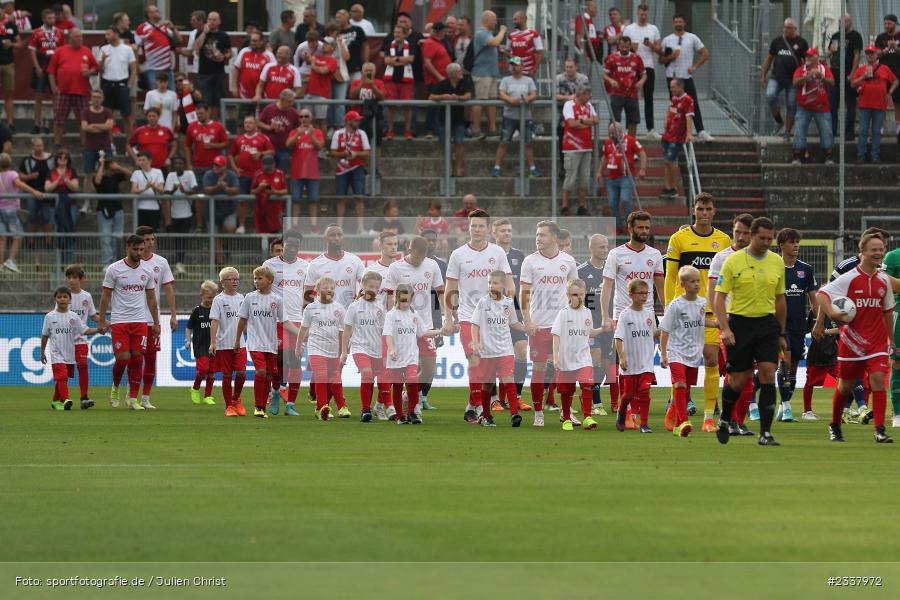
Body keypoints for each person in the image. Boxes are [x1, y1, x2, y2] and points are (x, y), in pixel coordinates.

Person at [713, 217, 787, 446]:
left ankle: (765, 433)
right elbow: (719, 298)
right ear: (752, 236)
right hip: (740, 324)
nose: (766, 242)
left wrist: (781, 333)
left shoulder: (776, 262)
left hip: (766, 324)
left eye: (769, 238)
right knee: (739, 379)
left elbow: (780, 299)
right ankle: (725, 419)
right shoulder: (733, 261)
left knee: (767, 373)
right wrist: (725, 328)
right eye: (762, 238)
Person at [818, 233, 895, 443]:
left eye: (881, 249)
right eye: (874, 249)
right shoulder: (849, 277)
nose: (878, 253)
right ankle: (834, 424)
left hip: (877, 342)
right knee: (845, 386)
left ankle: (879, 429)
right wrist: (832, 314)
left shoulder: (883, 281)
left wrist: (892, 343)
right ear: (862, 252)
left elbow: (887, 312)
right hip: (852, 342)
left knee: (878, 381)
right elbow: (821, 294)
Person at [664, 193, 731, 431]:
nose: (704, 212)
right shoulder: (679, 239)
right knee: (684, 365)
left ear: (714, 212)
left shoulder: (724, 241)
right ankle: (676, 407)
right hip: (683, 313)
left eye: (708, 209)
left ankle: (708, 418)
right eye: (700, 208)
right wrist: (669, 307)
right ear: (694, 210)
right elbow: (671, 276)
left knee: (712, 360)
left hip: (711, 311)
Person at [443, 209, 513, 422]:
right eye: (473, 225)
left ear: (488, 229)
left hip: (495, 319)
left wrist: (509, 304)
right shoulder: (458, 255)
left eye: (481, 226)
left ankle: (473, 404)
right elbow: (450, 288)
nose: (477, 229)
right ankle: (480, 409)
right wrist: (448, 316)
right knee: (474, 358)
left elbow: (509, 283)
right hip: (468, 316)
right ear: (468, 227)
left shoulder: (498, 253)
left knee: (487, 365)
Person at [519, 221, 578, 427]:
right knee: (539, 368)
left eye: (542, 235)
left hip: (563, 325)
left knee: (565, 369)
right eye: (537, 234)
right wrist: (527, 319)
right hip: (539, 326)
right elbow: (524, 293)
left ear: (554, 237)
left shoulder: (568, 261)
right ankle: (538, 413)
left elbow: (576, 293)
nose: (538, 238)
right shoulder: (530, 261)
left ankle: (566, 411)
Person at [383, 236, 445, 419]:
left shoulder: (431, 265)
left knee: (429, 369)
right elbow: (388, 297)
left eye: (423, 257)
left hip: (425, 325)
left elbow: (441, 294)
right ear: (410, 251)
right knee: (400, 372)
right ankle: (411, 405)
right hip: (402, 327)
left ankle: (408, 396)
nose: (419, 261)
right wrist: (391, 319)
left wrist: (449, 317)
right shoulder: (396, 268)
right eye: (417, 257)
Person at [97, 234, 160, 411]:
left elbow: (151, 299)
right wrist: (102, 320)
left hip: (140, 321)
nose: (139, 252)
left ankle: (133, 398)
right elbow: (105, 297)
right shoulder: (114, 269)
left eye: (142, 249)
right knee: (123, 358)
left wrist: (156, 322)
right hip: (119, 321)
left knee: (138, 357)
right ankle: (115, 387)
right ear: (127, 247)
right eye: (136, 249)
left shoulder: (147, 271)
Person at [707, 213, 757, 430]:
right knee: (735, 372)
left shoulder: (761, 258)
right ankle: (730, 419)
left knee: (748, 376)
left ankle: (739, 421)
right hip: (730, 323)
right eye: (737, 232)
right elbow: (712, 292)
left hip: (755, 323)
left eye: (746, 233)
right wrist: (720, 321)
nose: (740, 236)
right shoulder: (721, 258)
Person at [660, 265, 719, 436]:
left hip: (693, 353)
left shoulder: (702, 303)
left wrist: (715, 323)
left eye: (698, 281)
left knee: (686, 388)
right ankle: (682, 422)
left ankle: (674, 407)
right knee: (680, 384)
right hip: (676, 351)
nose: (696, 284)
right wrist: (664, 353)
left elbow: (700, 321)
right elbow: (665, 329)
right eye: (692, 281)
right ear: (683, 284)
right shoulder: (676, 305)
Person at [775, 228, 819, 424]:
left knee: (793, 367)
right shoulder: (773, 267)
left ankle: (783, 405)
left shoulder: (806, 269)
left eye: (797, 242)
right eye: (792, 242)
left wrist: (819, 321)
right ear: (781, 245)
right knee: (785, 363)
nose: (796, 245)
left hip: (799, 326)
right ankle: (787, 407)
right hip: (778, 326)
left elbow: (814, 299)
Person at [261, 230, 307, 416]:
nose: (293, 248)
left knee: (295, 361)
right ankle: (274, 392)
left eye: (296, 246)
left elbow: (309, 294)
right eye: (289, 245)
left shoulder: (305, 266)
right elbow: (262, 289)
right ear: (284, 244)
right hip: (276, 320)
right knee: (279, 360)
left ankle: (290, 404)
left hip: (298, 320)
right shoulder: (269, 265)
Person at [471, 269, 525, 427]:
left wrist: (527, 328)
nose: (491, 286)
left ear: (503, 285)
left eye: (494, 283)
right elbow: (475, 324)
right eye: (489, 283)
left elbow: (513, 323)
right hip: (487, 352)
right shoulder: (483, 302)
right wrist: (475, 342)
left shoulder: (508, 303)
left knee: (508, 379)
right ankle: (486, 415)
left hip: (505, 350)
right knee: (487, 384)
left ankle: (514, 414)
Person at [383, 284, 442, 424]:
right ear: (397, 298)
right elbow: (388, 335)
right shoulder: (391, 315)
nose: (405, 303)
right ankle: (399, 416)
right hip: (396, 357)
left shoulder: (414, 316)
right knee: (397, 386)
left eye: (408, 300)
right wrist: (391, 349)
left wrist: (440, 331)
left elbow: (423, 332)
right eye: (402, 300)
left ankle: (412, 412)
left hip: (411, 357)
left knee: (413, 381)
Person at [550, 278, 603, 432]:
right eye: (574, 294)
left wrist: (602, 329)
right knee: (567, 391)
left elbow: (589, 333)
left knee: (587, 384)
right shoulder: (563, 313)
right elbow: (556, 335)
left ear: (585, 294)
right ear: (568, 295)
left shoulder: (587, 313)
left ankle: (587, 417)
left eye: (580, 294)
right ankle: (566, 419)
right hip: (566, 360)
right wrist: (555, 357)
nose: (578, 298)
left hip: (584, 358)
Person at [297, 276, 350, 421]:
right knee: (321, 376)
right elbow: (303, 329)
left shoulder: (339, 308)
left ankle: (341, 407)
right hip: (315, 348)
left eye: (332, 288)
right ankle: (322, 407)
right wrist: (299, 346)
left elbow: (345, 330)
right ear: (317, 290)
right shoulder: (311, 308)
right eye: (326, 288)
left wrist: (345, 350)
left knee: (335, 377)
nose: (329, 291)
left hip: (333, 349)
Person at [136, 225, 176, 410]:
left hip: (153, 318)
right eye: (146, 240)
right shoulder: (130, 263)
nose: (150, 243)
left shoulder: (161, 262)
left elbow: (168, 290)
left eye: (152, 239)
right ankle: (132, 394)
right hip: (134, 318)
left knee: (151, 358)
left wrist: (173, 315)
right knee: (134, 358)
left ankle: (145, 397)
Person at [489, 218, 527, 410]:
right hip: (493, 314)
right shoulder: (490, 255)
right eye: (502, 230)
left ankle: (517, 396)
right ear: (494, 233)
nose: (507, 233)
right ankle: (494, 399)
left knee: (521, 351)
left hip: (515, 311)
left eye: (509, 230)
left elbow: (524, 286)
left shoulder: (519, 257)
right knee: (494, 356)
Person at [41, 286, 99, 411]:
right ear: (55, 299)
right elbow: (45, 335)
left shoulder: (73, 316)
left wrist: (98, 330)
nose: (62, 299)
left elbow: (85, 330)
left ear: (70, 300)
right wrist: (42, 353)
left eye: (65, 297)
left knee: (64, 377)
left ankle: (55, 401)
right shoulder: (50, 317)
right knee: (62, 376)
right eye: (59, 297)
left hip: (69, 353)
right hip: (56, 354)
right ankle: (66, 399)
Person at [235, 265, 281, 419]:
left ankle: (263, 406)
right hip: (255, 342)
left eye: (259, 278)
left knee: (269, 375)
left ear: (270, 280)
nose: (256, 281)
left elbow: (282, 321)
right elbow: (242, 320)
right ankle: (258, 406)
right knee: (261, 371)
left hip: (271, 344)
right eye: (255, 278)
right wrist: (237, 340)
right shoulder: (249, 297)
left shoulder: (276, 300)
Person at [341, 271, 387, 421]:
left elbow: (385, 331)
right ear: (363, 286)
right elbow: (347, 330)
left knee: (384, 379)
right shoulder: (354, 307)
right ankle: (365, 411)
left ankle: (380, 406)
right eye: (370, 286)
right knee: (367, 375)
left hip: (377, 349)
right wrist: (344, 352)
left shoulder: (380, 307)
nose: (373, 289)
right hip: (360, 347)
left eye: (376, 287)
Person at [614, 279, 657, 433]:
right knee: (628, 395)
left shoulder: (650, 314)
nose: (644, 296)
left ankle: (644, 424)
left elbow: (654, 334)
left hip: (646, 363)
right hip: (630, 364)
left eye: (646, 293)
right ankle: (622, 411)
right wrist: (622, 358)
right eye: (640, 293)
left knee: (645, 390)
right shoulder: (625, 315)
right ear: (631, 295)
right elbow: (618, 338)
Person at [660, 14, 712, 141]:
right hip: (672, 77)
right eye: (676, 21)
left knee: (693, 103)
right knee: (674, 106)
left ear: (684, 23)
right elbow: (661, 60)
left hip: (686, 77)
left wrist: (695, 66)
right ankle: (674, 131)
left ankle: (700, 130)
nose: (678, 23)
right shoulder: (667, 40)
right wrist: (671, 57)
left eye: (680, 21)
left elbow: (705, 53)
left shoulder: (692, 38)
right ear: (673, 23)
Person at [578, 234, 614, 415]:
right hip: (590, 325)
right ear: (591, 248)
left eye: (607, 247)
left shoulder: (611, 270)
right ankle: (596, 403)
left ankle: (591, 395)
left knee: (606, 363)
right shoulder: (581, 271)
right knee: (595, 356)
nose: (605, 250)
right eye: (601, 247)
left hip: (608, 324)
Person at [491, 56, 540, 178]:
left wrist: (527, 99)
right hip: (509, 116)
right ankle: (496, 168)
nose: (513, 67)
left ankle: (533, 168)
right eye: (512, 65)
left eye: (516, 65)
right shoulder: (506, 80)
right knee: (503, 142)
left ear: (521, 66)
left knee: (528, 143)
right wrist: (510, 99)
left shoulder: (528, 80)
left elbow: (534, 93)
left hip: (526, 116)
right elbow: (501, 93)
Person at [47, 28, 97, 146]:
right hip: (63, 91)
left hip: (82, 92)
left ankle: (84, 144)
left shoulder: (86, 51)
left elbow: (96, 68)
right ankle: (57, 143)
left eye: (81, 36)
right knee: (59, 118)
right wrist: (54, 87)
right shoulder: (59, 51)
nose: (80, 39)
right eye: (77, 37)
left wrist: (89, 72)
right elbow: (51, 71)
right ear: (69, 38)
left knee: (83, 120)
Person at [209, 266, 247, 416]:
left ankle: (236, 398)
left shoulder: (242, 298)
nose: (235, 281)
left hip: (240, 343)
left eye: (237, 278)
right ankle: (229, 406)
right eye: (231, 279)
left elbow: (246, 320)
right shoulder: (218, 300)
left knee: (241, 373)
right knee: (226, 375)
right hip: (224, 344)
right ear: (222, 281)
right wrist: (213, 343)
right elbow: (214, 321)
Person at [185, 102, 229, 232]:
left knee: (214, 194)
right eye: (197, 113)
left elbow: (226, 143)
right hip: (198, 166)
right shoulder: (192, 127)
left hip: (214, 167)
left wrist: (214, 146)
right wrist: (189, 163)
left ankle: (213, 222)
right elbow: (187, 146)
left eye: (201, 113)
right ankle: (199, 224)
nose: (199, 115)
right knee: (199, 196)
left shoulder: (217, 126)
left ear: (208, 112)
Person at [760, 18, 807, 138]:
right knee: (770, 94)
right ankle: (779, 121)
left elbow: (807, 61)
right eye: (784, 27)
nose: (785, 30)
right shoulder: (777, 41)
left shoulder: (802, 42)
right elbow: (769, 58)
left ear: (794, 29)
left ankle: (787, 132)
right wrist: (763, 75)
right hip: (776, 77)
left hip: (793, 80)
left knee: (791, 104)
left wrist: (805, 76)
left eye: (788, 28)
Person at [852, 45, 898, 163]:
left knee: (877, 131)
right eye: (867, 53)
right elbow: (852, 84)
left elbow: (896, 81)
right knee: (863, 131)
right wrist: (863, 76)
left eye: (872, 53)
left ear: (877, 55)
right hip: (864, 105)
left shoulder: (884, 68)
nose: (869, 55)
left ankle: (875, 156)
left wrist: (890, 92)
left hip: (879, 105)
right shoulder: (861, 69)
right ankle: (861, 155)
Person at [598, 121, 646, 229]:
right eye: (609, 133)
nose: (611, 136)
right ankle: (618, 225)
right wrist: (599, 171)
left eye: (613, 133)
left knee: (625, 200)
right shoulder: (607, 142)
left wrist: (642, 169)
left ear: (619, 132)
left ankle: (629, 223)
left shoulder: (630, 140)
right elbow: (604, 157)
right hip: (611, 178)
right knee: (612, 203)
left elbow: (642, 153)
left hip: (626, 176)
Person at [303, 224, 365, 309]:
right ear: (325, 239)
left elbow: (366, 286)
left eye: (339, 235)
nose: (336, 238)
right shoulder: (315, 264)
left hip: (348, 316)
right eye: (332, 235)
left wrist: (358, 302)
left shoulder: (355, 260)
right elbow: (308, 294)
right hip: (325, 316)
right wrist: (307, 315)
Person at [623, 4, 662, 137]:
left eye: (645, 14)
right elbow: (622, 48)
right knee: (630, 98)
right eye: (641, 14)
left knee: (649, 98)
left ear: (648, 14)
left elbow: (659, 49)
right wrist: (631, 48)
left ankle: (650, 129)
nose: (643, 17)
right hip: (632, 67)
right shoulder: (629, 28)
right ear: (637, 13)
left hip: (648, 66)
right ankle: (629, 128)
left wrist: (650, 45)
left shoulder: (653, 29)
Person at [559, 85, 598, 216]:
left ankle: (582, 206)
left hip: (586, 147)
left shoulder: (589, 105)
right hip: (572, 147)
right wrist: (587, 122)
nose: (589, 98)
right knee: (570, 177)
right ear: (581, 95)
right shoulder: (569, 105)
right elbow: (571, 123)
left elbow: (596, 120)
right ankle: (565, 205)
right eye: (587, 95)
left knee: (584, 178)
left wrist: (581, 121)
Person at [428, 63, 472, 177]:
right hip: (443, 119)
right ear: (452, 74)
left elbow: (468, 96)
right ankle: (448, 168)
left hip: (459, 119)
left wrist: (457, 98)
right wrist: (444, 96)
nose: (461, 73)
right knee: (446, 145)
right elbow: (431, 96)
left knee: (459, 143)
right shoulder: (443, 83)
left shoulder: (465, 82)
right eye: (458, 71)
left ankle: (459, 168)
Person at [792, 48, 835, 165]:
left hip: (821, 106)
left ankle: (828, 155)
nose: (808, 58)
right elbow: (795, 83)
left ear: (816, 57)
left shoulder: (824, 69)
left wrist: (821, 77)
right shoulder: (801, 69)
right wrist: (807, 77)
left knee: (826, 130)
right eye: (807, 56)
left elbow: (832, 82)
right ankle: (797, 155)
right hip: (804, 105)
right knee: (799, 130)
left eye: (810, 56)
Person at [330, 111, 370, 233]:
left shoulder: (361, 133)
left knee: (359, 198)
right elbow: (332, 152)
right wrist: (344, 154)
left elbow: (367, 152)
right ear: (349, 121)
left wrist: (356, 154)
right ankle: (339, 228)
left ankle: (360, 227)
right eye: (356, 120)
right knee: (341, 199)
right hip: (341, 169)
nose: (358, 122)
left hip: (357, 167)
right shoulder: (338, 133)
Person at [65, 264, 98, 408]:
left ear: (81, 279)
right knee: (65, 372)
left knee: (83, 366)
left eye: (74, 277)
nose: (71, 280)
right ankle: (62, 397)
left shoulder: (87, 296)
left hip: (81, 340)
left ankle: (84, 398)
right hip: (65, 341)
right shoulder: (64, 296)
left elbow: (93, 316)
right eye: (69, 277)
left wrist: (105, 322)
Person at [470, 10, 506, 139]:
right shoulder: (481, 33)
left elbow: (495, 45)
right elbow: (494, 42)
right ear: (486, 20)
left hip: (492, 73)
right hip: (482, 73)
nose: (496, 23)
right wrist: (502, 31)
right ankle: (476, 129)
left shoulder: (489, 34)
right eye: (494, 20)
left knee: (492, 101)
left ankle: (492, 128)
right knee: (480, 100)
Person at [28, 8, 63, 134]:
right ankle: (36, 124)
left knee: (56, 96)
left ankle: (57, 124)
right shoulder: (37, 32)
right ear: (43, 19)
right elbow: (32, 50)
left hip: (55, 67)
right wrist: (37, 67)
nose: (52, 20)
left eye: (53, 18)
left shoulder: (59, 32)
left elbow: (63, 51)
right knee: (39, 95)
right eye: (49, 18)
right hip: (42, 65)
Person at [827, 13, 863, 140]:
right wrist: (831, 50)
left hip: (848, 73)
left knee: (850, 104)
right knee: (832, 103)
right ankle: (832, 130)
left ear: (849, 22)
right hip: (835, 73)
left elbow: (857, 55)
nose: (841, 24)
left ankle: (849, 133)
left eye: (843, 22)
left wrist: (852, 74)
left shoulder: (856, 36)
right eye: (839, 22)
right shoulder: (836, 35)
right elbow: (829, 53)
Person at [286, 108, 324, 223]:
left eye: (306, 116)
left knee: (313, 200)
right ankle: (295, 224)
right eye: (301, 116)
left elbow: (320, 146)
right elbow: (288, 145)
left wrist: (311, 135)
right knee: (296, 199)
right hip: (297, 172)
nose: (303, 119)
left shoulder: (317, 132)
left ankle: (313, 225)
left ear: (311, 118)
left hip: (312, 172)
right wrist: (297, 133)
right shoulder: (294, 132)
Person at [98, 25, 136, 139]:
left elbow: (134, 69)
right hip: (107, 84)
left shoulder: (127, 49)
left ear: (116, 34)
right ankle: (110, 145)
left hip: (122, 84)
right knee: (108, 117)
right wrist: (103, 59)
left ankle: (130, 144)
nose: (106, 36)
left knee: (127, 116)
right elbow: (99, 70)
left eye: (109, 34)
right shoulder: (104, 49)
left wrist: (129, 84)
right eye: (106, 34)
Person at [603, 35, 646, 136]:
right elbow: (604, 75)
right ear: (618, 45)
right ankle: (611, 143)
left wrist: (641, 82)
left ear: (630, 45)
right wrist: (611, 80)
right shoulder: (612, 57)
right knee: (614, 119)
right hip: (616, 93)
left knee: (633, 120)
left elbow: (644, 75)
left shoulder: (636, 58)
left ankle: (631, 144)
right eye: (622, 47)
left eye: (626, 47)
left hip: (632, 94)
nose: (624, 49)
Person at [800, 308, 838, 421]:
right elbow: (806, 330)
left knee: (845, 380)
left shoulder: (836, 310)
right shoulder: (814, 311)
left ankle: (845, 409)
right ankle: (807, 411)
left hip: (833, 354)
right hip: (817, 353)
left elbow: (842, 330)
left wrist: (826, 331)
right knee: (810, 383)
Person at [348, 61, 386, 176]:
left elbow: (382, 96)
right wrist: (362, 83)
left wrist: (372, 85)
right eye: (366, 71)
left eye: (370, 71)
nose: (368, 73)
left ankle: (375, 167)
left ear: (375, 72)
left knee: (377, 143)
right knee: (360, 143)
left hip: (375, 117)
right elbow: (352, 95)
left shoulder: (379, 82)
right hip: (359, 118)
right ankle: (362, 166)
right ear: (362, 72)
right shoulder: (356, 82)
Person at [202, 155, 241, 262]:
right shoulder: (209, 174)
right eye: (215, 164)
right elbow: (206, 190)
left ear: (224, 166)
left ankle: (225, 247)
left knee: (230, 229)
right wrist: (218, 186)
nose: (216, 167)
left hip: (228, 210)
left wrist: (225, 188)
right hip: (211, 211)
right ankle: (220, 263)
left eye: (218, 165)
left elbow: (236, 190)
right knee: (214, 237)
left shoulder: (231, 175)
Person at [381, 23, 417, 140]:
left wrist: (395, 59)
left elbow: (411, 59)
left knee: (407, 106)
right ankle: (390, 130)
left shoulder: (410, 44)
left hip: (406, 79)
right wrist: (402, 60)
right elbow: (387, 61)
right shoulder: (389, 44)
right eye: (395, 32)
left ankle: (408, 130)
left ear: (405, 34)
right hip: (391, 79)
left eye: (399, 33)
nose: (396, 35)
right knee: (390, 106)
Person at [660, 78, 695, 198]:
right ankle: (667, 187)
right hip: (667, 135)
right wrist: (665, 121)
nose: (671, 89)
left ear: (680, 87)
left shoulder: (688, 100)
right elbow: (669, 110)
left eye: (673, 87)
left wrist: (689, 134)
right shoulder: (674, 99)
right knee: (666, 162)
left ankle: (674, 188)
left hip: (677, 137)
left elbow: (689, 118)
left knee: (670, 160)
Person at [93, 155, 130, 267]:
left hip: (118, 210)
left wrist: (118, 167)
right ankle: (106, 263)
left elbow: (130, 174)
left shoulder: (116, 176)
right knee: (105, 238)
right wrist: (102, 164)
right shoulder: (101, 176)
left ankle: (115, 263)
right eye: (112, 164)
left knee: (117, 238)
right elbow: (97, 181)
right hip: (103, 210)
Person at [193, 11, 231, 119]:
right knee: (206, 100)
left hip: (218, 72)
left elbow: (229, 52)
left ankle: (214, 123)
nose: (212, 22)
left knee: (217, 100)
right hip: (204, 73)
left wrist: (224, 57)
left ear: (219, 21)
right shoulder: (200, 33)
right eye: (210, 19)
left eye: (214, 20)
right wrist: (204, 33)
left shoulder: (224, 36)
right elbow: (196, 47)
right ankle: (206, 122)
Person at [163, 156, 197, 274]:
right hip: (174, 213)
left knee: (184, 239)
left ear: (184, 164)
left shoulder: (189, 174)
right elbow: (167, 193)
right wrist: (174, 190)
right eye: (176, 163)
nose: (178, 165)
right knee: (177, 240)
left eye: (180, 163)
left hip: (187, 213)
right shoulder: (171, 176)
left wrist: (184, 191)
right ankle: (178, 263)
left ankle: (180, 263)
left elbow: (195, 190)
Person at [185, 281, 217, 406]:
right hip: (200, 345)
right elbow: (188, 327)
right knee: (203, 369)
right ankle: (195, 388)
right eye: (209, 298)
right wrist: (188, 340)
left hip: (213, 344)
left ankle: (208, 396)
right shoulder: (197, 311)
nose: (211, 300)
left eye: (213, 297)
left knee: (211, 372)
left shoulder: (216, 310)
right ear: (201, 296)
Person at [135, 5, 179, 91]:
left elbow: (178, 39)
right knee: (155, 95)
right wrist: (137, 67)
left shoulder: (163, 27)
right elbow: (136, 48)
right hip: (152, 69)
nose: (159, 12)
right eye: (156, 11)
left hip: (167, 69)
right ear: (150, 14)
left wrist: (173, 28)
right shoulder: (142, 28)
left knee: (172, 94)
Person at [421, 22, 452, 140]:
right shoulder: (430, 43)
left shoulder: (438, 43)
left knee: (438, 107)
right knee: (434, 106)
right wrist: (439, 76)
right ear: (438, 32)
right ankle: (430, 129)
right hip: (435, 81)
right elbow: (427, 63)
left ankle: (437, 129)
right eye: (444, 31)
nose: (445, 33)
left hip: (441, 80)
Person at [230, 114, 274, 196]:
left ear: (255, 125)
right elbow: (231, 155)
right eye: (245, 123)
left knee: (259, 198)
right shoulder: (238, 139)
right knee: (242, 200)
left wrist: (261, 153)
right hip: (243, 174)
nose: (247, 125)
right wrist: (235, 169)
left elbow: (272, 151)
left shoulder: (263, 138)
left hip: (258, 174)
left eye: (250, 123)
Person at [19, 137, 54, 238]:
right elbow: (20, 176)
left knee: (47, 217)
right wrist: (29, 176)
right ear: (33, 147)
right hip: (32, 192)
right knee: (32, 216)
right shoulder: (27, 160)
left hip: (47, 192)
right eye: (37, 146)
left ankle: (49, 242)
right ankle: (31, 242)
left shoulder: (51, 158)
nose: (40, 148)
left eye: (41, 146)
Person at [259, 89, 300, 174]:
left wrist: (294, 135)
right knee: (266, 170)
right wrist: (269, 127)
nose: (291, 104)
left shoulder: (293, 112)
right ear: (281, 99)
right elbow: (258, 123)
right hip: (268, 147)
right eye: (288, 102)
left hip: (284, 148)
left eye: (292, 101)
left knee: (282, 169)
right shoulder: (269, 108)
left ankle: (281, 185)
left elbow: (300, 126)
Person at [875, 14, 900, 144]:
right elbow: (876, 54)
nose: (886, 26)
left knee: (897, 102)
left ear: (895, 23)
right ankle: (880, 130)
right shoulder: (881, 37)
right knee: (881, 102)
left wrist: (895, 48)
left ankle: (898, 130)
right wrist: (886, 49)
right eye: (885, 23)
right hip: (883, 73)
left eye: (889, 23)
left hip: (898, 73)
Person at [882, 245, 900, 428]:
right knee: (897, 363)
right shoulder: (893, 257)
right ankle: (898, 413)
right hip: (899, 315)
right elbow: (884, 281)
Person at [128, 107, 175, 174]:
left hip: (162, 167)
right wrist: (135, 159)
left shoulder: (166, 130)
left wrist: (169, 158)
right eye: (149, 116)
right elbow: (128, 145)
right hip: (144, 166)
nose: (151, 118)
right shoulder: (140, 131)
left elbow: (174, 145)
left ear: (158, 117)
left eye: (154, 116)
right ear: (147, 117)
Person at [306, 37, 338, 134]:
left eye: (327, 44)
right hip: (309, 92)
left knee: (321, 121)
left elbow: (323, 71)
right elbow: (306, 58)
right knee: (308, 120)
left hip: (322, 94)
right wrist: (307, 56)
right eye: (323, 43)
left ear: (332, 48)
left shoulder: (333, 60)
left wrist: (312, 63)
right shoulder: (317, 57)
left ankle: (322, 146)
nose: (323, 45)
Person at [233, 32, 275, 105]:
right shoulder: (244, 51)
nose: (253, 43)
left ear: (262, 41)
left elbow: (274, 74)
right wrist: (234, 87)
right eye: (252, 40)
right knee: (243, 116)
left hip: (262, 97)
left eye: (255, 41)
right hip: (244, 94)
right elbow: (236, 69)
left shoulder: (269, 56)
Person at [251, 154, 287, 235]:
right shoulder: (258, 174)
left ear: (274, 164)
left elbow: (285, 191)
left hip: (276, 210)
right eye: (266, 167)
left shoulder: (280, 173)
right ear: (262, 165)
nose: (268, 170)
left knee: (277, 236)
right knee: (263, 235)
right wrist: (259, 188)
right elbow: (252, 191)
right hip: (261, 211)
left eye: (270, 167)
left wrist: (275, 192)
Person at [130, 152, 166, 229]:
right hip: (140, 207)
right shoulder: (136, 173)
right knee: (141, 232)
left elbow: (162, 190)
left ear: (149, 161)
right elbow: (133, 190)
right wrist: (145, 188)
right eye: (139, 160)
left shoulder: (158, 172)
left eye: (143, 160)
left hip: (154, 207)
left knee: (153, 232)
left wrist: (153, 186)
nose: (141, 162)